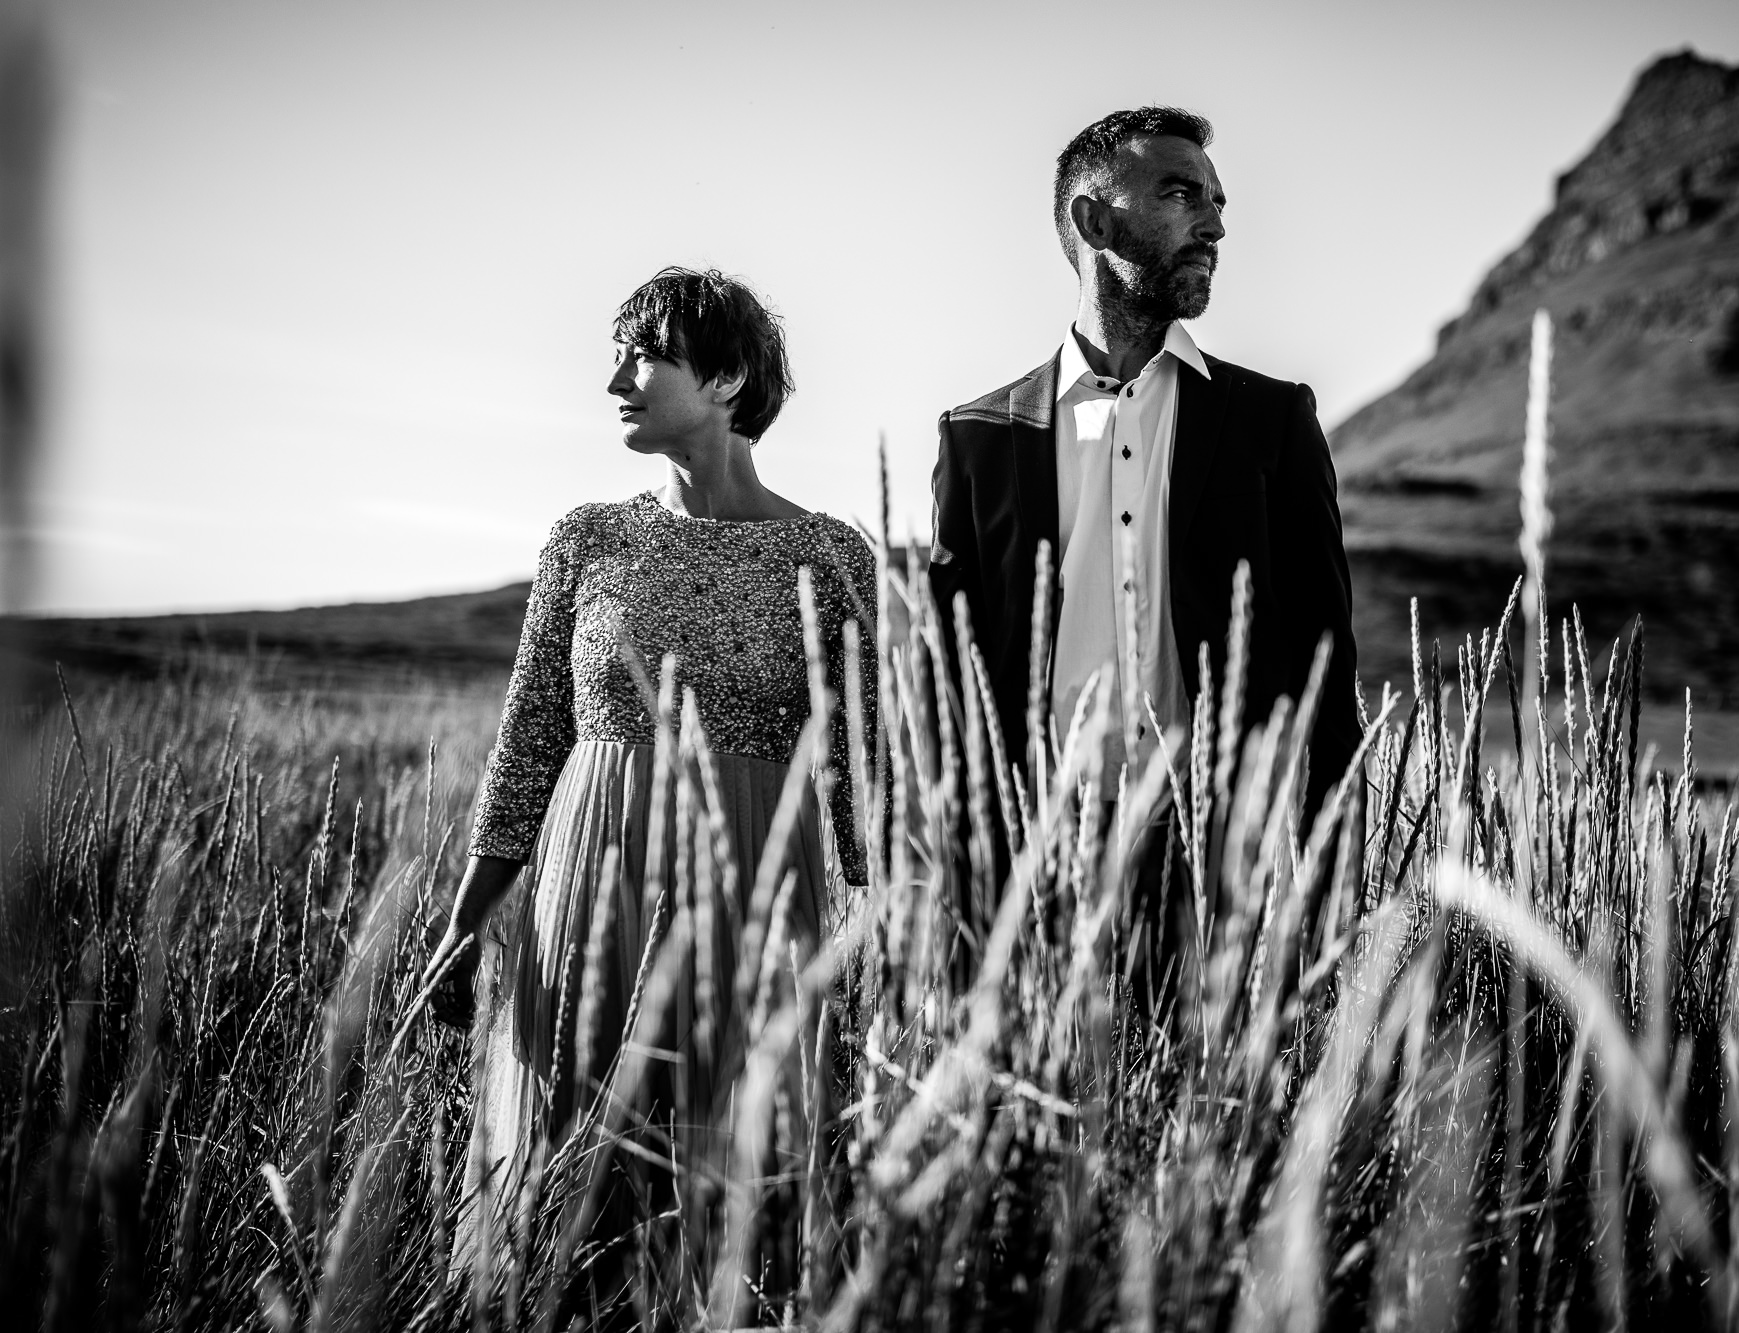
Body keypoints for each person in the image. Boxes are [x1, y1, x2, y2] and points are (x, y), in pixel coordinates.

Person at [420, 266, 875, 1321]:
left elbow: (864, 781)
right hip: (587, 900)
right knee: (574, 1193)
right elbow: (528, 744)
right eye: (618, 356)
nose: (616, 380)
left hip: (752, 906)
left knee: (730, 1196)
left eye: (645, 357)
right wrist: (465, 920)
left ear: (726, 378)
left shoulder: (826, 555)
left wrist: (891, 941)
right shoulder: (587, 539)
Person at [927, 106, 1361, 1006]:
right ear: (1094, 221)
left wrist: (1328, 871)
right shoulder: (979, 437)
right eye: (1180, 194)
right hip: (1031, 858)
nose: (1215, 224)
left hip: (1217, 859)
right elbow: (953, 677)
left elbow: (1327, 658)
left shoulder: (1272, 421)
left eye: (1218, 201)